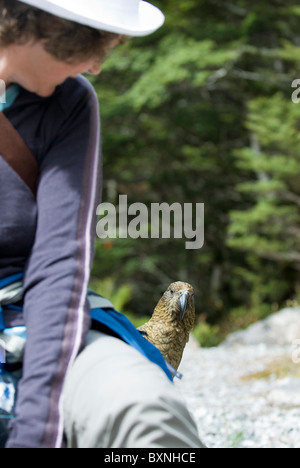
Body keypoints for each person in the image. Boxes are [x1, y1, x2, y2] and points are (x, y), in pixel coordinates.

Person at [0, 0, 204, 449]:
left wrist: (35, 431)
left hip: (30, 318)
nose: (96, 66)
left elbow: (59, 267)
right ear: (36, 24)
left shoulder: (69, 102)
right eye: (92, 42)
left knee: (147, 415)